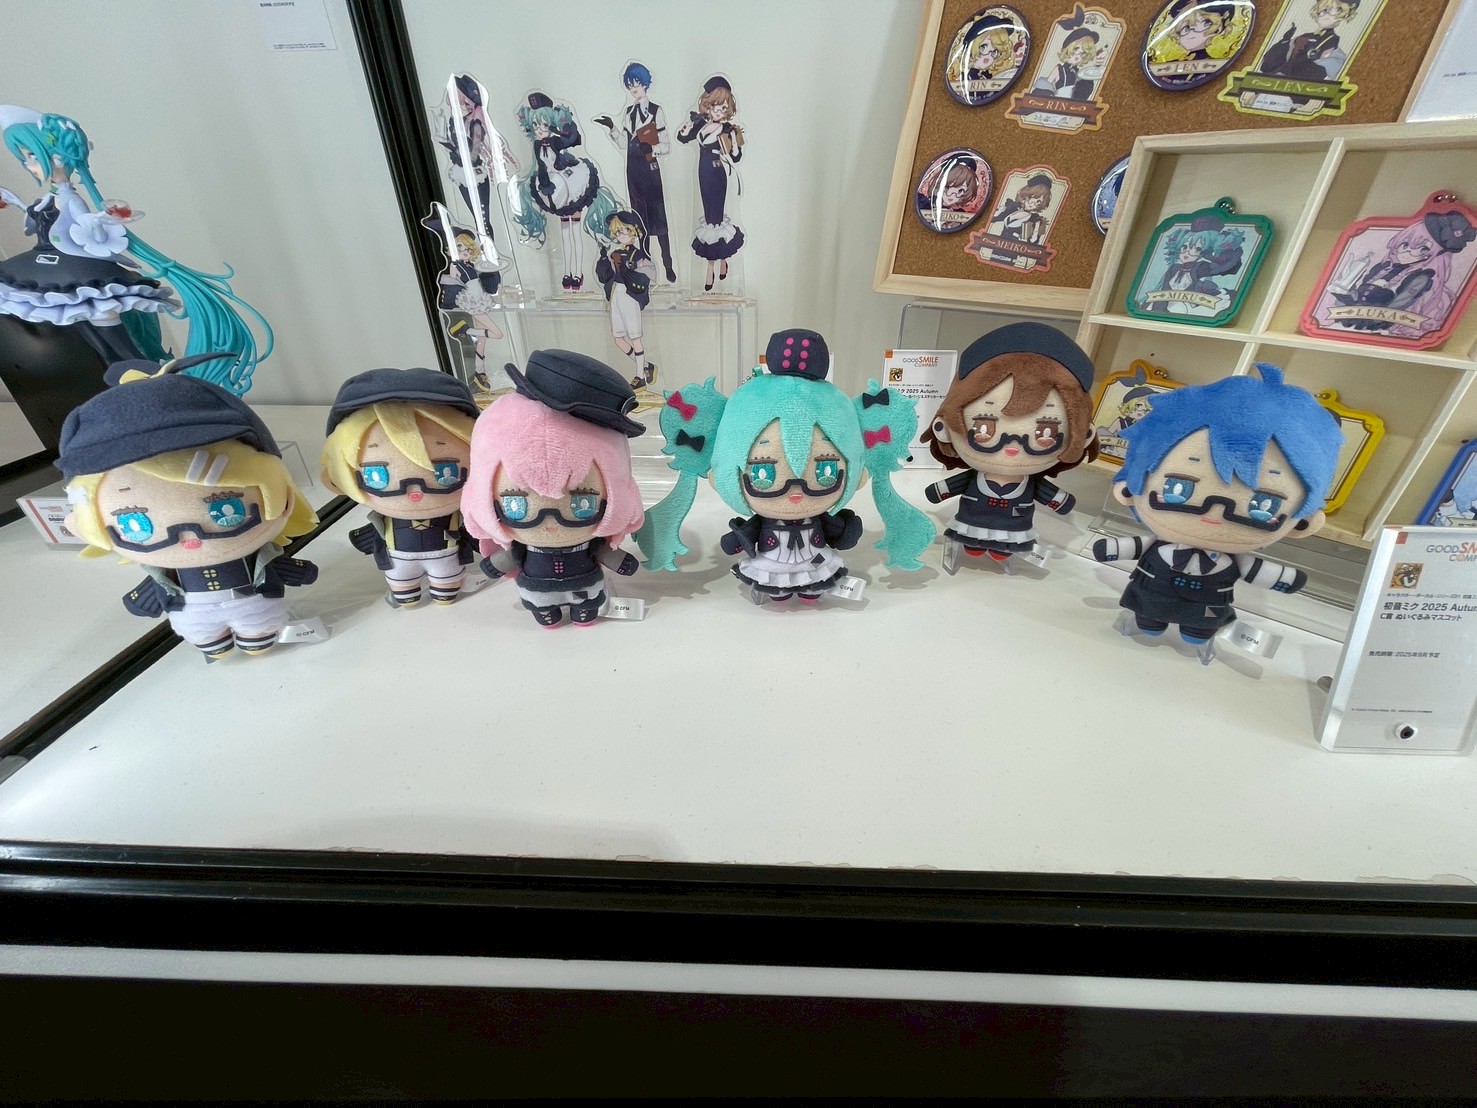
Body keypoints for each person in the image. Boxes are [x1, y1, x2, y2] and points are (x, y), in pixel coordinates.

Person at [637, 328, 935, 603]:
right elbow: (743, 535)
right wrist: (736, 540)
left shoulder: (818, 515)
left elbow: (841, 534)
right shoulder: (764, 520)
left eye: (826, 471)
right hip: (771, 563)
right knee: (776, 591)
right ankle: (779, 594)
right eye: (763, 473)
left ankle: (808, 593)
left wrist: (845, 529)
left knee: (813, 587)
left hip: (816, 562)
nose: (795, 492)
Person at [58, 355, 318, 658]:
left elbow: (272, 565)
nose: (189, 538)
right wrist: (142, 598)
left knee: (258, 629)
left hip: (253, 607)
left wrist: (297, 571)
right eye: (135, 523)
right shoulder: (169, 569)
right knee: (207, 635)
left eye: (226, 509)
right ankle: (216, 644)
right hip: (196, 616)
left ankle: (256, 641)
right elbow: (160, 583)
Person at [0, 106, 271, 393]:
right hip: (50, 264)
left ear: (58, 157)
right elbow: (43, 224)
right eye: (25, 158)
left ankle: (145, 380)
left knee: (105, 325)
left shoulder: (71, 199)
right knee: (83, 328)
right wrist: (16, 202)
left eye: (33, 156)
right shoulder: (51, 197)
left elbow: (84, 228)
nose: (28, 164)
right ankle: (123, 381)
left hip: (76, 270)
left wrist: (104, 221)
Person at [1090, 365, 1343, 661]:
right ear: (1129, 489)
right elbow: (1135, 546)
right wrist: (1112, 549)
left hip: (1206, 609)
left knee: (1198, 628)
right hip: (1150, 598)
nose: (1215, 512)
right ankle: (1149, 622)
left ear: (1303, 522)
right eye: (1179, 488)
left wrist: (1283, 578)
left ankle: (1195, 632)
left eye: (1263, 505)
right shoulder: (1159, 543)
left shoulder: (1230, 558)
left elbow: (1254, 569)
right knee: (1148, 619)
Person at [462, 350, 646, 628]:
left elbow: (603, 552)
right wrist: (493, 564)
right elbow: (509, 557)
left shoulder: (588, 543)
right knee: (543, 609)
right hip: (537, 590)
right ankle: (547, 614)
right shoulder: (523, 548)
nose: (550, 522)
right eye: (516, 505)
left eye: (582, 504)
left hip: (585, 587)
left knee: (586, 606)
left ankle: (584, 613)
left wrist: (619, 560)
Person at [922, 323, 1097, 567]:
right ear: (944, 428)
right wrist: (938, 491)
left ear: (1083, 435)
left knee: (1004, 548)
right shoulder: (975, 475)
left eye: (1045, 432)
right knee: (971, 541)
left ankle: (1001, 551)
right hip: (970, 522)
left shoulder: (1030, 483)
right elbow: (951, 486)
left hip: (1014, 528)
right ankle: (973, 545)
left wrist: (1061, 501)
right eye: (984, 427)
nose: (1013, 446)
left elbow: (1051, 496)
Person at [320, 368, 481, 608]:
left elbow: (471, 533)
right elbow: (374, 534)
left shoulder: (457, 517)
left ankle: (443, 593)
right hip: (400, 565)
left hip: (446, 561)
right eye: (377, 476)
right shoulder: (385, 520)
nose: (414, 492)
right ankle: (408, 596)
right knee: (405, 590)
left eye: (444, 471)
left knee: (446, 588)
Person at [512, 93, 618, 293]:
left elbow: (573, 139)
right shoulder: (537, 145)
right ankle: (567, 272)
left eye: (544, 125)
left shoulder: (555, 142)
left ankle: (577, 273)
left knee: (575, 233)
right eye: (535, 125)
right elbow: (542, 167)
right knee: (565, 235)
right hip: (555, 188)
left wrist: (565, 128)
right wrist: (544, 184)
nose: (539, 129)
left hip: (570, 184)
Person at [593, 62, 677, 284]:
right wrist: (612, 128)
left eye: (636, 84)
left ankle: (668, 263)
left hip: (650, 170)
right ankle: (646, 263)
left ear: (645, 83)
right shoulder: (629, 113)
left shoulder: (656, 111)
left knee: (659, 219)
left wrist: (653, 148)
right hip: (633, 170)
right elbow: (624, 143)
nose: (633, 89)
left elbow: (666, 145)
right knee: (640, 221)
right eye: (630, 85)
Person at [676, 77, 745, 292]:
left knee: (715, 220)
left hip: (716, 172)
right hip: (702, 172)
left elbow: (736, 157)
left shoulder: (727, 129)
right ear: (708, 104)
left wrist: (734, 142)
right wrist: (688, 125)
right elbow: (681, 138)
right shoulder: (701, 124)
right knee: (709, 217)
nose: (719, 111)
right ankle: (722, 261)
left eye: (724, 108)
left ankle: (711, 268)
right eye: (715, 106)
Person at [595, 210, 659, 389]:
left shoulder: (638, 255)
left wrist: (626, 269)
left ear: (634, 231)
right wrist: (603, 259)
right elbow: (604, 276)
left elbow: (646, 277)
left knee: (635, 337)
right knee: (619, 339)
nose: (622, 235)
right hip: (616, 293)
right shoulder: (614, 253)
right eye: (618, 232)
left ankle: (640, 376)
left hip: (630, 295)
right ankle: (646, 366)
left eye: (626, 230)